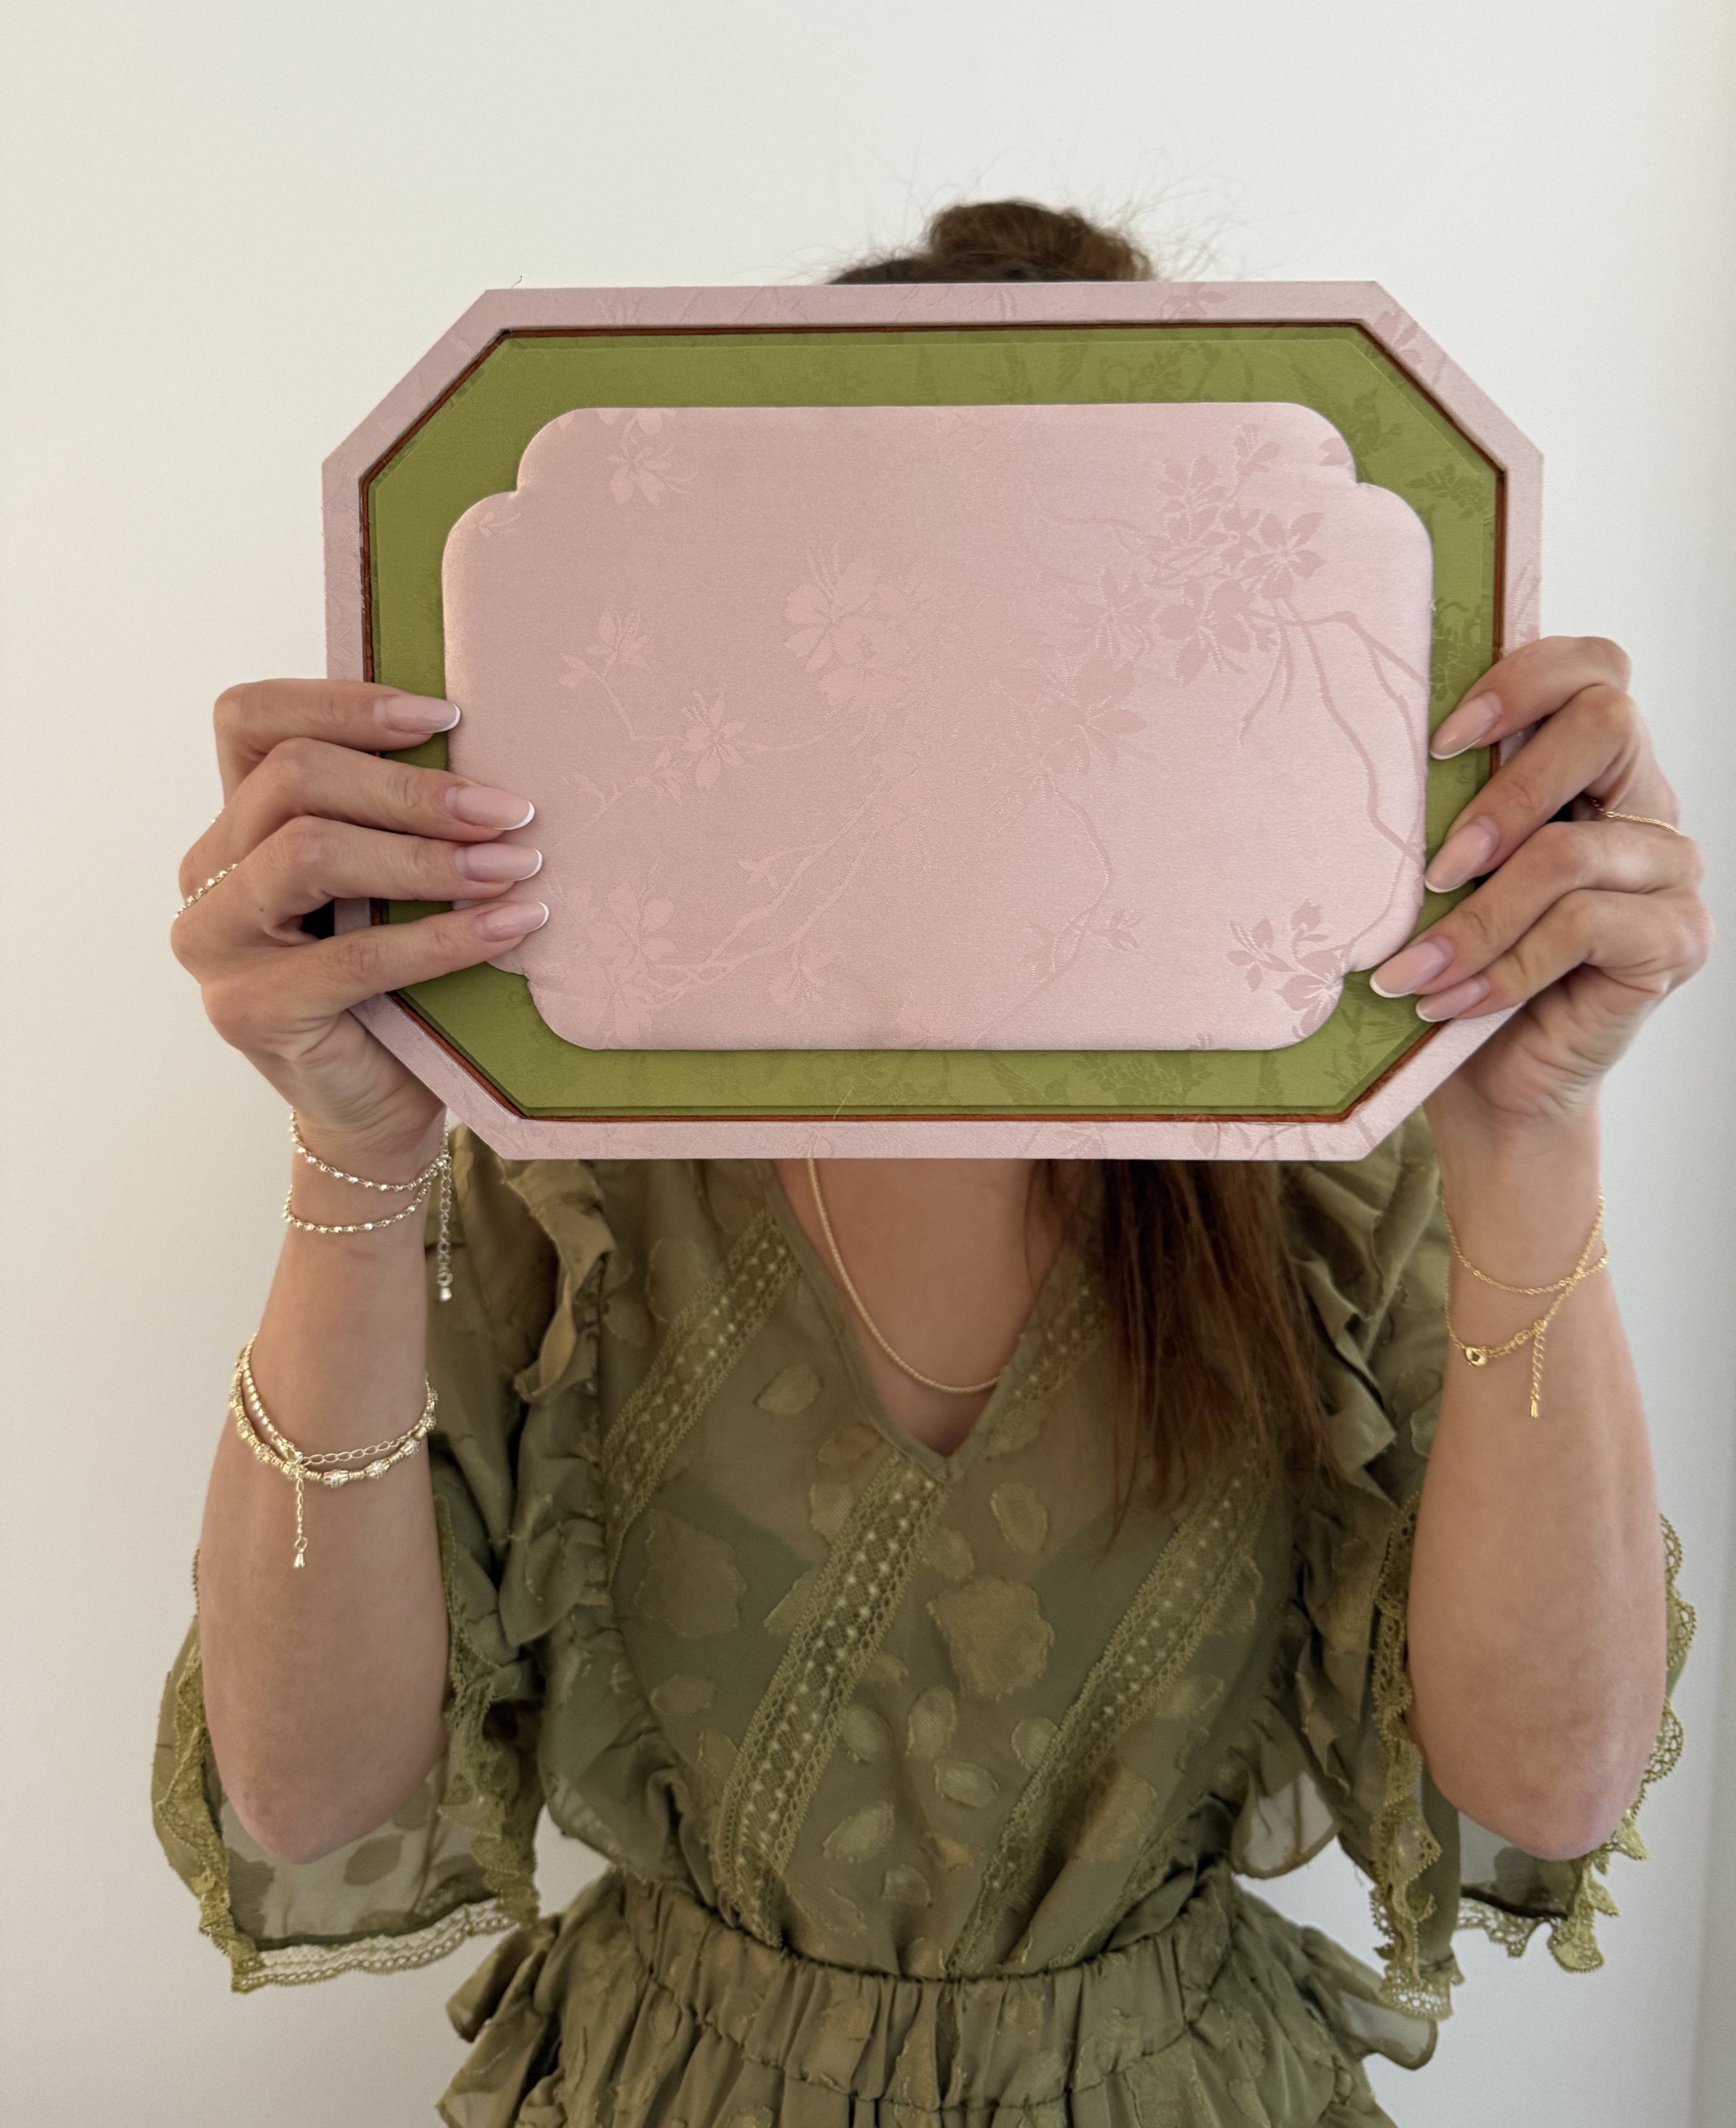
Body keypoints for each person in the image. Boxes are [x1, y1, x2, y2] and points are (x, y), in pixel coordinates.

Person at [153, 202, 1707, 2128]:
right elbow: (306, 1788)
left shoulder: (1316, 1152)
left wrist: (1533, 1129)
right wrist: (352, 1145)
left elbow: (1550, 1787)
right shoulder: (580, 1141)